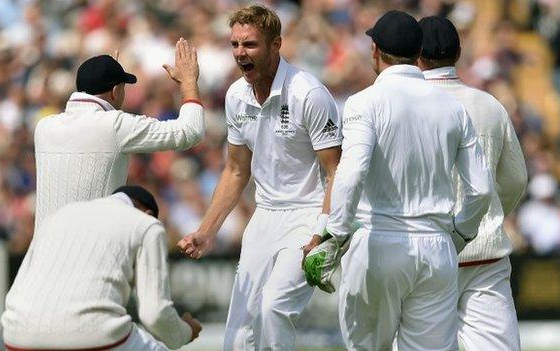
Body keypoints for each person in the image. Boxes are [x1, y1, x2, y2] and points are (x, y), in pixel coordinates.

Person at [307, 10, 492, 350]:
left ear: (375, 50)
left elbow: (352, 172)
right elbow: (481, 188)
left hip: (379, 243)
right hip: (437, 249)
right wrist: (460, 234)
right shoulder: (452, 108)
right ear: (417, 51)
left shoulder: (364, 102)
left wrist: (334, 236)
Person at [177, 5, 342, 350]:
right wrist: (207, 231)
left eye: (250, 45)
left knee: (274, 308)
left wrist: (324, 231)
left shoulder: (308, 94)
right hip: (264, 217)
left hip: (307, 215)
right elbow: (236, 170)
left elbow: (335, 171)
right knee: (237, 333)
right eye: (235, 44)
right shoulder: (236, 96)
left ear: (276, 44)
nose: (240, 53)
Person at [418, 16, 527, 350]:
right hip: (486, 256)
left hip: (426, 253)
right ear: (459, 52)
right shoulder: (489, 104)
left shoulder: (405, 105)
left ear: (415, 56)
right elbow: (515, 178)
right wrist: (483, 216)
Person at [1, 185, 202, 350]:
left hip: (16, 334)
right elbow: (154, 313)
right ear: (148, 213)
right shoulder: (147, 224)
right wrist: (184, 332)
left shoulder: (58, 215)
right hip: (91, 334)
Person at [34, 38, 204, 230]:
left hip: (41, 254)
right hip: (90, 254)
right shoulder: (116, 126)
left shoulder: (43, 127)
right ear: (115, 91)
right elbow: (191, 131)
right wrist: (189, 82)